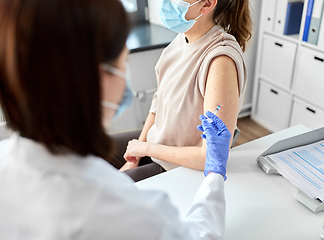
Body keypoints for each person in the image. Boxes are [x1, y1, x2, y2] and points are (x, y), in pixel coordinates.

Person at [0, 0, 232, 239]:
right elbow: (202, 235)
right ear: (96, 78)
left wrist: (140, 151)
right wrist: (215, 175)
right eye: (123, 63)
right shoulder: (121, 209)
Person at [115, 0, 252, 181]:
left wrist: (144, 148)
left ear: (207, 4)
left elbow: (210, 156)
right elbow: (158, 105)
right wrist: (136, 155)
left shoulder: (220, 60)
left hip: (177, 166)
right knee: (92, 149)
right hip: (158, 143)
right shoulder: (181, 39)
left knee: (105, 191)